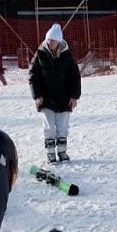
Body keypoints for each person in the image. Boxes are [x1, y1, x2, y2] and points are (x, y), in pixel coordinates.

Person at [30, 24, 81, 163]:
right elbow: (33, 75)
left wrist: (74, 96)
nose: (49, 42)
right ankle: (51, 153)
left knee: (62, 126)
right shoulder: (40, 53)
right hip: (45, 98)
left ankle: (62, 152)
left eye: (52, 40)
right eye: (48, 39)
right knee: (49, 126)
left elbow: (75, 76)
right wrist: (37, 95)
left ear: (58, 41)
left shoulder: (67, 55)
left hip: (64, 98)